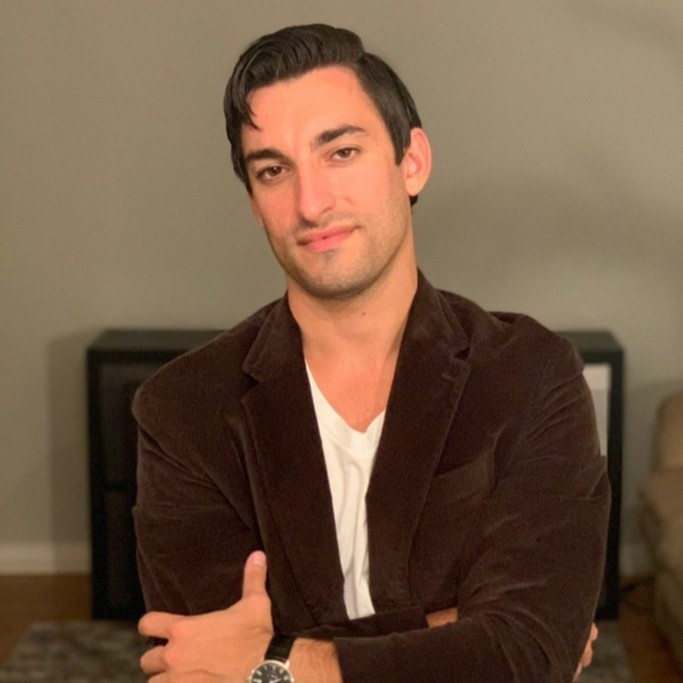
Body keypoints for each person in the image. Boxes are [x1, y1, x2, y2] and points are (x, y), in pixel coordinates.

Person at [133, 24, 609, 683]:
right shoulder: (183, 408)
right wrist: (461, 631)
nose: (310, 203)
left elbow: (527, 652)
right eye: (273, 170)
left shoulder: (528, 372)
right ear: (254, 202)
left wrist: (276, 662)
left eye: (341, 152)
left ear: (411, 161)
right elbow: (200, 661)